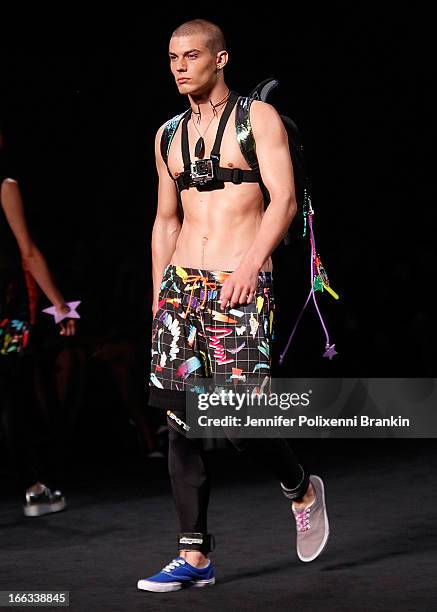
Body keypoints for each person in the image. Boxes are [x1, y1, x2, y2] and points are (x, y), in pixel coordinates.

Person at [138, 19, 329, 592]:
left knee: (241, 419)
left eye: (191, 56)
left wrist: (250, 265)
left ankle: (301, 487)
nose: (179, 66)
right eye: (172, 57)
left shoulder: (257, 119)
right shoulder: (166, 134)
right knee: (180, 423)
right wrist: (158, 293)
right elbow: (166, 218)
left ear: (221, 59)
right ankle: (194, 557)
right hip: (180, 287)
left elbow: (284, 201)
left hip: (239, 283)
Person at [0, 126, 75, 516]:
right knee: (15, 397)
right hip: (8, 316)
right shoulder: (6, 185)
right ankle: (33, 486)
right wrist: (60, 305)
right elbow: (27, 252)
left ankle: (33, 483)